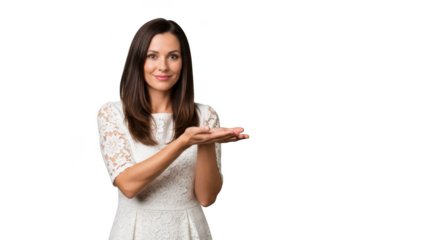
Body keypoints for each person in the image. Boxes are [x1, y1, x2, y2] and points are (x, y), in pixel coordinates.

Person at [96, 17, 250, 239]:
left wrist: (204, 141)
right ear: (138, 60)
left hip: (189, 231)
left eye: (173, 56)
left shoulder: (205, 115)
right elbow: (128, 185)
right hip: (134, 231)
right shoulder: (113, 113)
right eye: (152, 56)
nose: (163, 66)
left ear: (184, 62)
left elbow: (207, 198)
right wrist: (184, 142)